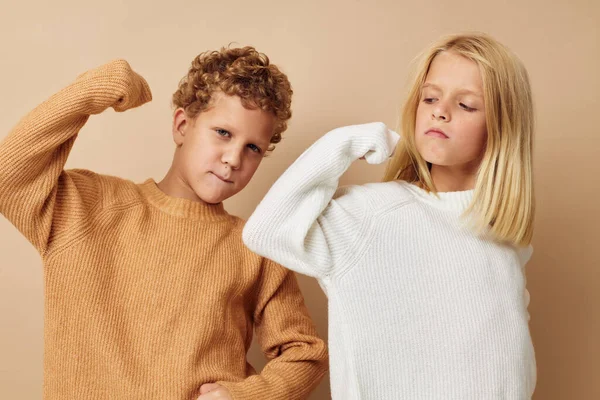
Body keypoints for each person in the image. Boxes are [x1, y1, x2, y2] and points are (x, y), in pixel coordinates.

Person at [0, 46, 327, 400]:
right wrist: (94, 90)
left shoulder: (256, 248)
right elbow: (8, 177)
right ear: (183, 125)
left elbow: (305, 354)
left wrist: (246, 396)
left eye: (253, 148)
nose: (234, 158)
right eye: (223, 133)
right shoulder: (86, 207)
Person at [242, 33, 536, 399]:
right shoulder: (371, 215)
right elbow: (268, 230)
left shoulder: (506, 240)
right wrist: (345, 143)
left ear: (503, 126)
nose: (439, 111)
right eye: (430, 97)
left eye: (466, 105)